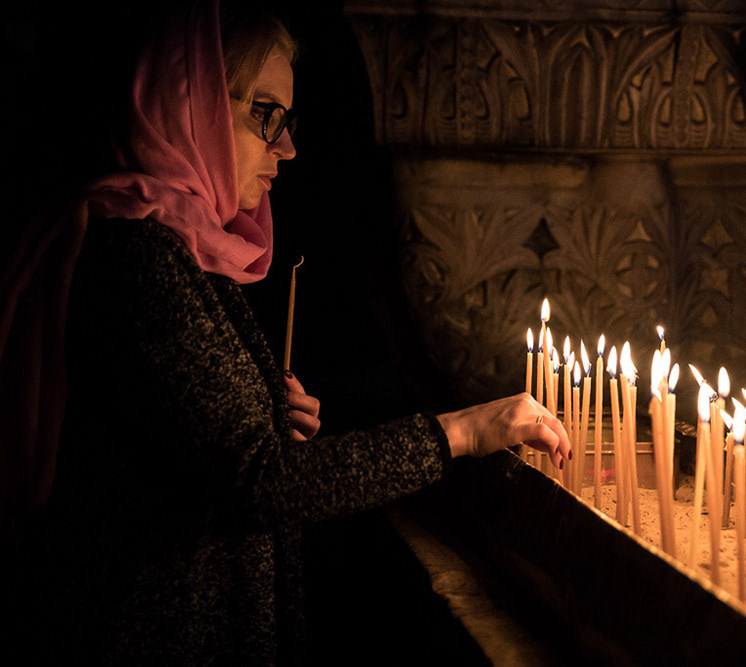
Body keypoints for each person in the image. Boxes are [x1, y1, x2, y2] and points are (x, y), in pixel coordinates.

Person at [0, 1, 570, 662]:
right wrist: (465, 431)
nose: (288, 147)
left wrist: (268, 418)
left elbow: (204, 452)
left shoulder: (185, 247)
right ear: (192, 107)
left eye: (288, 120)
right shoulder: (140, 256)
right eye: (263, 114)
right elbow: (259, 482)